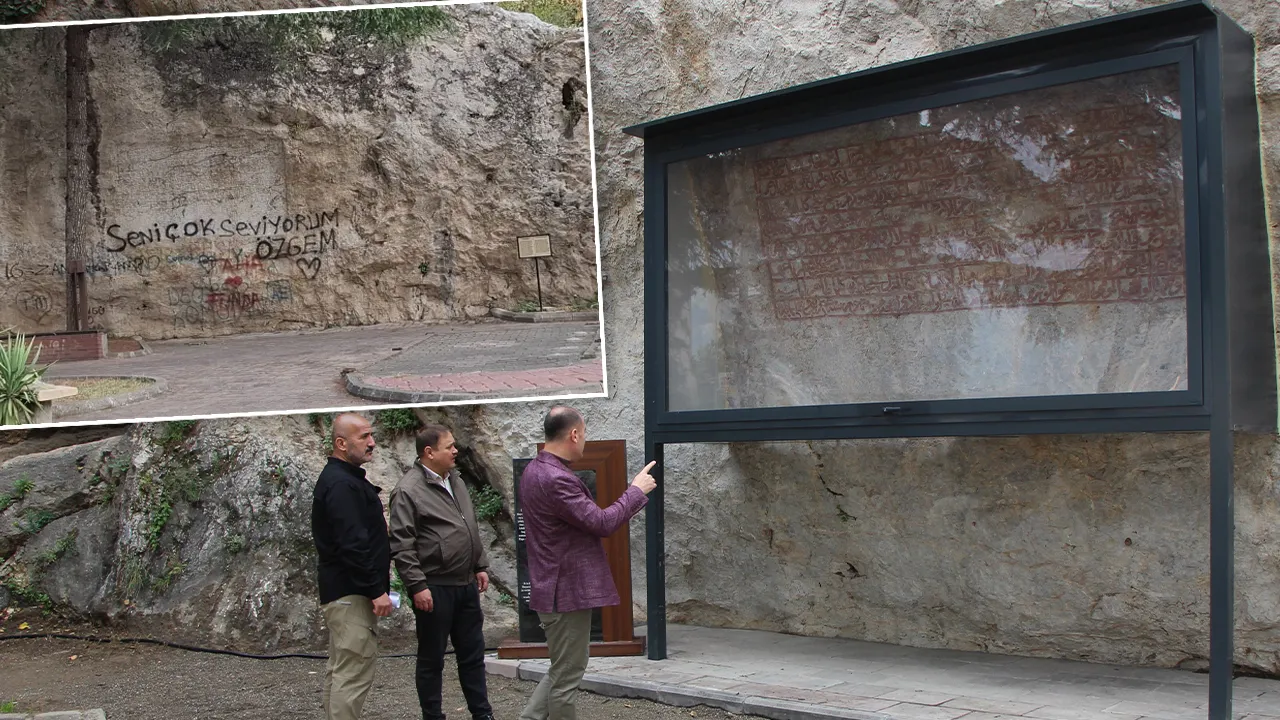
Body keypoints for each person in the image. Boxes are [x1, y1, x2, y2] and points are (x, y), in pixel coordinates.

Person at [518, 405, 657, 720]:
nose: (585, 442)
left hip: (554, 589)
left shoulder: (535, 469)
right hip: (564, 593)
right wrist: (635, 491)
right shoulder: (556, 478)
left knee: (562, 667)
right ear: (574, 434)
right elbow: (602, 522)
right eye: (585, 435)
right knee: (569, 673)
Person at [389, 424, 496, 720]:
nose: (455, 451)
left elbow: (468, 525)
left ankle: (482, 714)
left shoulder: (456, 480)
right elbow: (402, 544)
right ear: (429, 452)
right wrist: (417, 586)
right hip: (434, 588)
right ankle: (433, 716)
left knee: (473, 655)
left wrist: (480, 564)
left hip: (465, 585)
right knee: (431, 659)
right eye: (449, 446)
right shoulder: (408, 490)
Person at [311, 412, 394, 720]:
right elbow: (352, 545)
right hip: (351, 594)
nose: (371, 443)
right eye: (363, 437)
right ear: (341, 444)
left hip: (346, 592)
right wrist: (375, 590)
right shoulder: (341, 485)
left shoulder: (343, 480)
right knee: (353, 673)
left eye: (371, 436)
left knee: (342, 670)